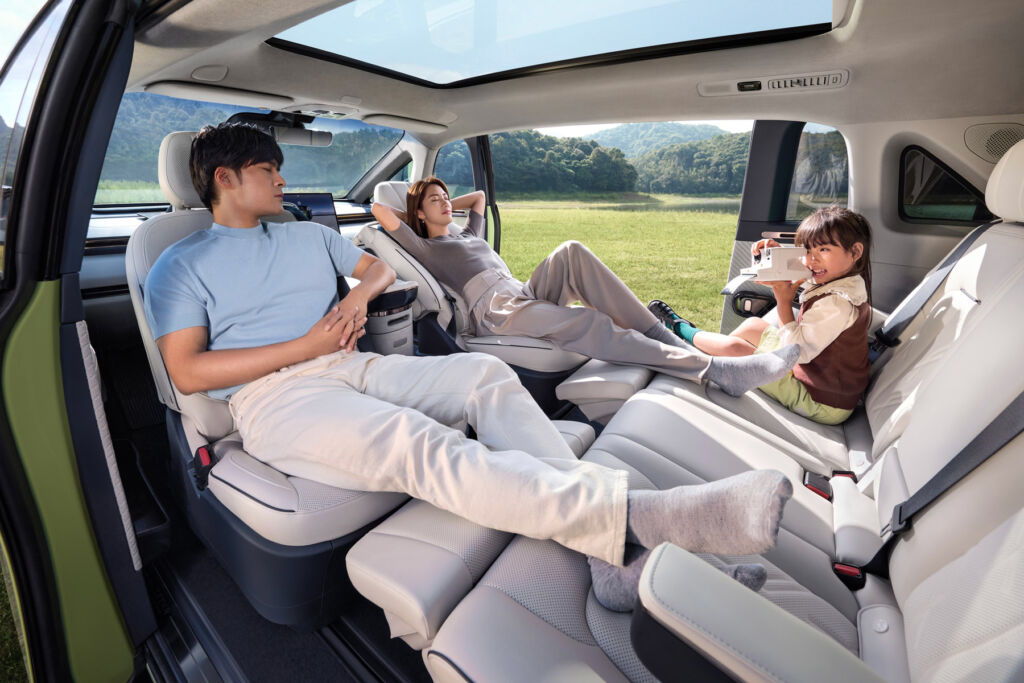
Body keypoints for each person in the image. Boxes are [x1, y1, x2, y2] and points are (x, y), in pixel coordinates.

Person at [145, 123, 793, 612]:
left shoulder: (305, 233)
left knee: (483, 376)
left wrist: (353, 299)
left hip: (351, 366)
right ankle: (634, 521)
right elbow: (189, 371)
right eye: (267, 169)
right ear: (224, 179)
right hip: (272, 400)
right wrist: (309, 344)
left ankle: (606, 551)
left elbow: (380, 267)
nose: (282, 180)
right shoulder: (179, 263)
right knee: (418, 440)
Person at [371, 177, 800, 398]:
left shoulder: (466, 234)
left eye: (447, 196)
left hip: (519, 291)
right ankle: (711, 369)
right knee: (589, 321)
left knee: (571, 250)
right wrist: (418, 206)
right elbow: (379, 208)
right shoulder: (425, 245)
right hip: (493, 310)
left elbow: (480, 196)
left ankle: (669, 337)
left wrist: (441, 200)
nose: (448, 202)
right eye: (436, 201)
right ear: (419, 216)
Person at [651, 206, 873, 425]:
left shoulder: (836, 303)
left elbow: (798, 353)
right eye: (806, 251)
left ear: (855, 252)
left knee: (736, 349)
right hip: (818, 374)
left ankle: (679, 330)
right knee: (753, 325)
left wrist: (784, 302)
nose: (811, 260)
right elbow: (805, 274)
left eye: (823, 250)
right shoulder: (844, 280)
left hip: (821, 401)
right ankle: (711, 353)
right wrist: (776, 254)